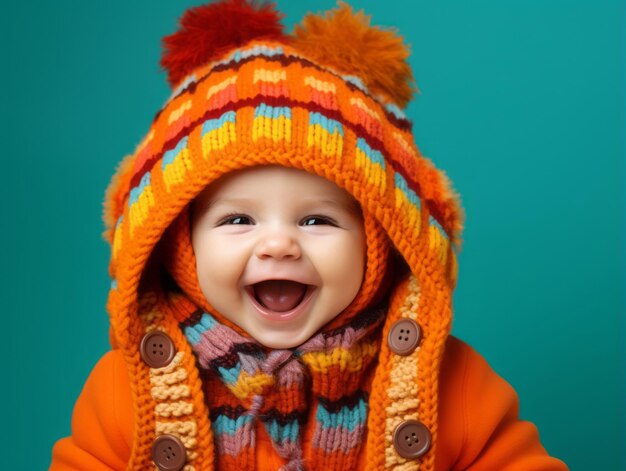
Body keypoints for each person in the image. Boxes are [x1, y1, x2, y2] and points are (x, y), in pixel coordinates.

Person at [50, 1, 569, 470]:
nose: (279, 244)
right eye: (238, 220)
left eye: (317, 220)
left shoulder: (451, 384)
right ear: (177, 247)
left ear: (382, 243)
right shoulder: (126, 389)